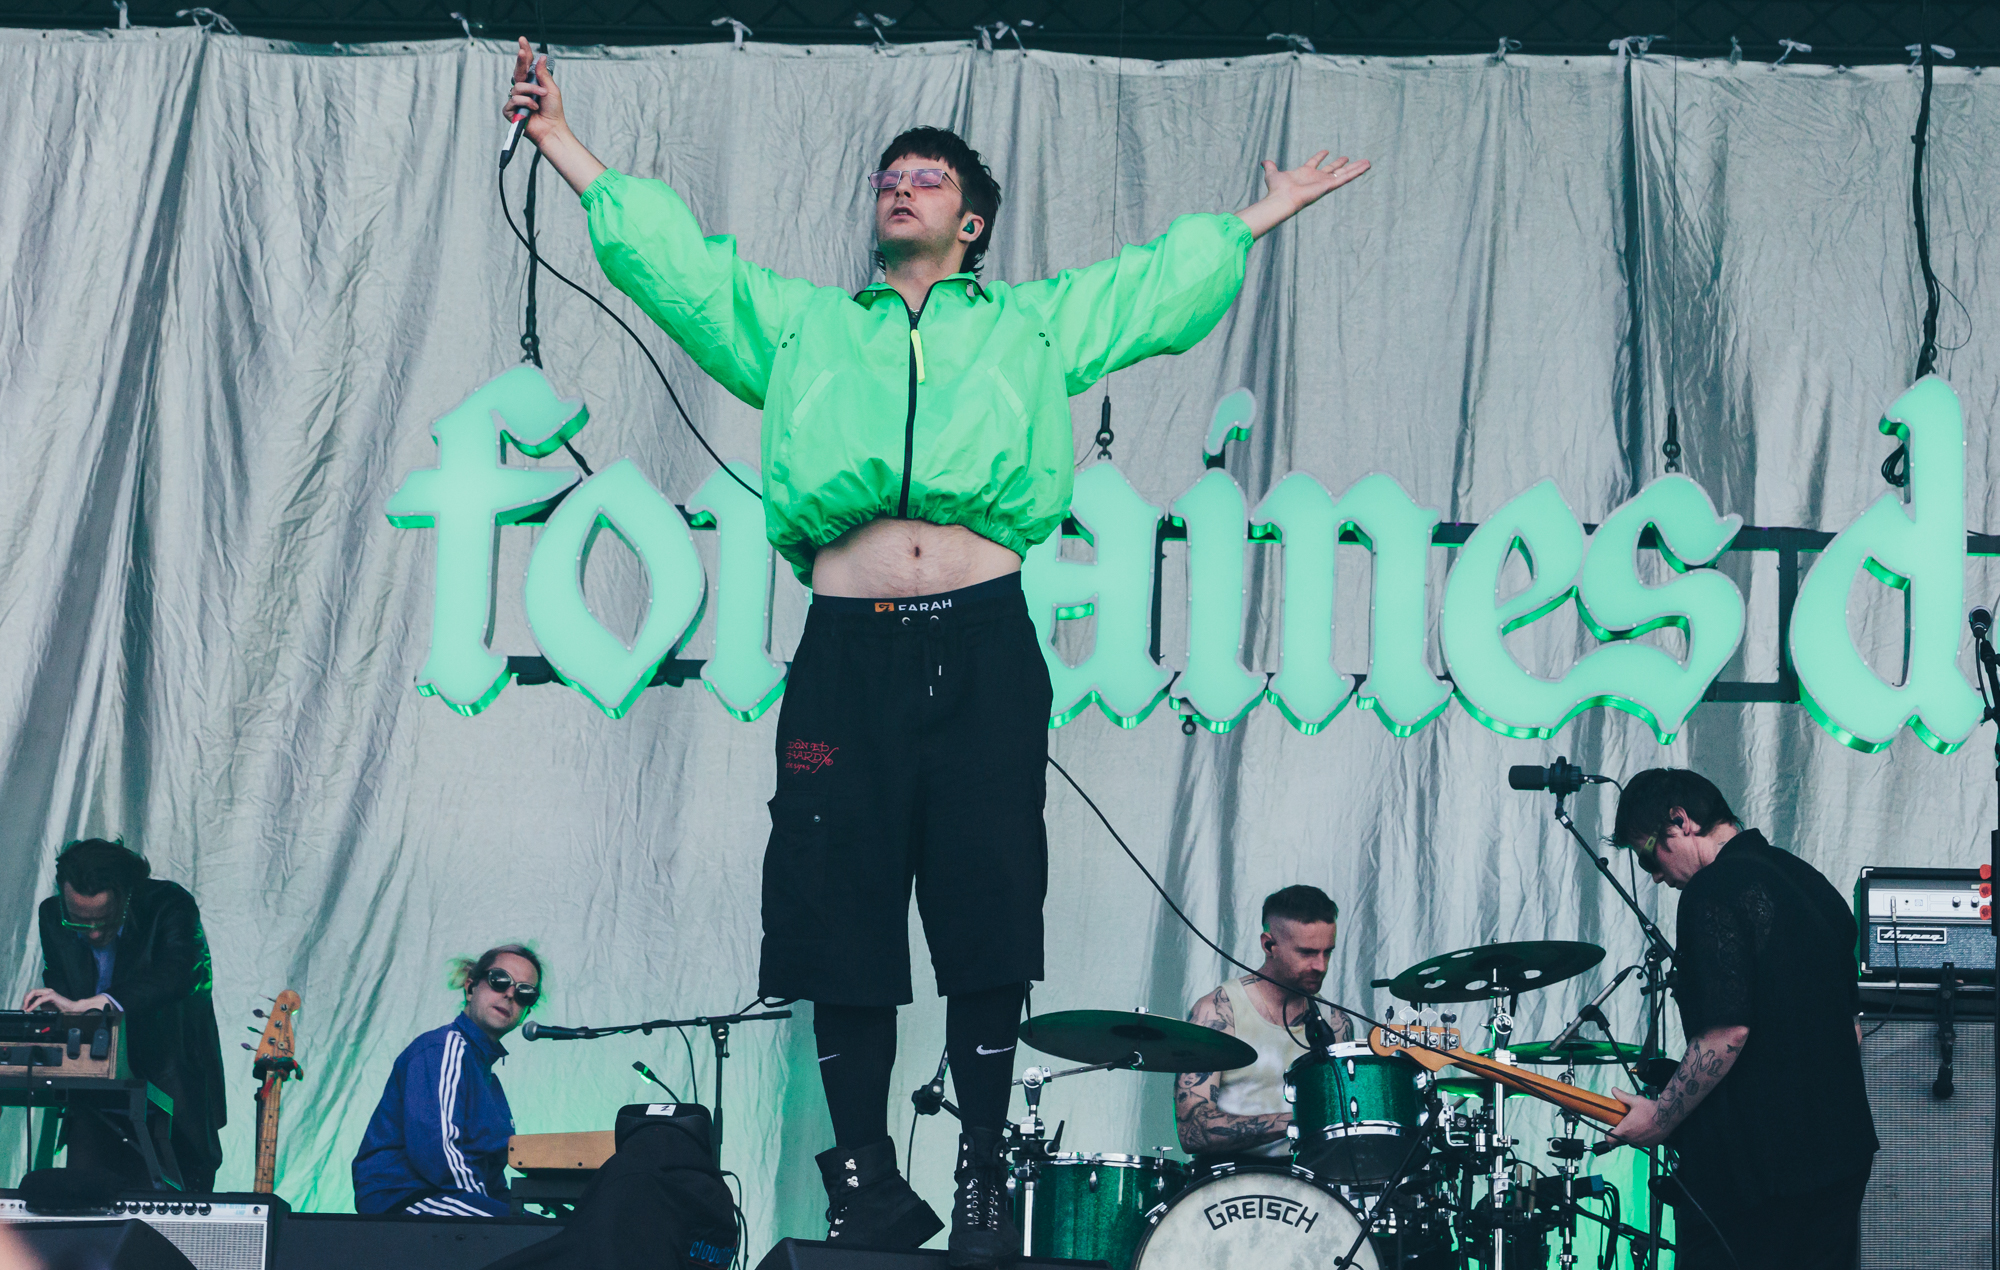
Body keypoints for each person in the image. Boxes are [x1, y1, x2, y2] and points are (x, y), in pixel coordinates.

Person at [501, 40, 1368, 1266]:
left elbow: (1147, 288)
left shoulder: (1025, 326)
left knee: (985, 901)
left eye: (926, 176)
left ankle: (972, 1168)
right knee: (832, 900)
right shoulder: (802, 329)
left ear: (969, 222)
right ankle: (861, 1175)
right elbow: (680, 270)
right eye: (886, 174)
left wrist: (1256, 215)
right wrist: (560, 142)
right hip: (846, 647)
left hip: (981, 644)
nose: (898, 185)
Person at [1603, 769, 1877, 1270]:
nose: (1653, 875)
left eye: (1648, 855)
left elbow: (1727, 1030)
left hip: (1760, 1178)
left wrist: (1660, 1117)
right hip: (1843, 1156)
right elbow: (1849, 1030)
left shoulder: (1711, 891)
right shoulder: (1811, 883)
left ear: (1680, 820)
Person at [26, 839, 226, 1192]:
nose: (94, 933)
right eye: (80, 923)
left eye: (104, 921)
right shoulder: (50, 915)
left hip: (170, 1092)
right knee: (87, 1216)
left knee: (171, 1226)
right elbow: (59, 978)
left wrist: (104, 1002)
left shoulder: (168, 904)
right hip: (94, 1097)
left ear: (126, 894)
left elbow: (182, 971)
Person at [352, 945, 543, 1217]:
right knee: (532, 1239)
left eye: (525, 992)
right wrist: (503, 1221)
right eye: (499, 980)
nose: (510, 994)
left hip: (452, 1197)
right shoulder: (443, 1049)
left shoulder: (490, 1082)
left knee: (554, 1237)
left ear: (526, 1011)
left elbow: (492, 1176)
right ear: (470, 988)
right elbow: (438, 1152)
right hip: (404, 1196)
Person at [1176, 885, 1353, 1163]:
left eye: (1327, 952)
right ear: (1269, 945)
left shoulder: (1335, 1022)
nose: (1320, 965)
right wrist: (1297, 1122)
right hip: (1228, 1187)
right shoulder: (1218, 1011)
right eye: (1307, 953)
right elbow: (1192, 1132)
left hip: (1311, 1188)